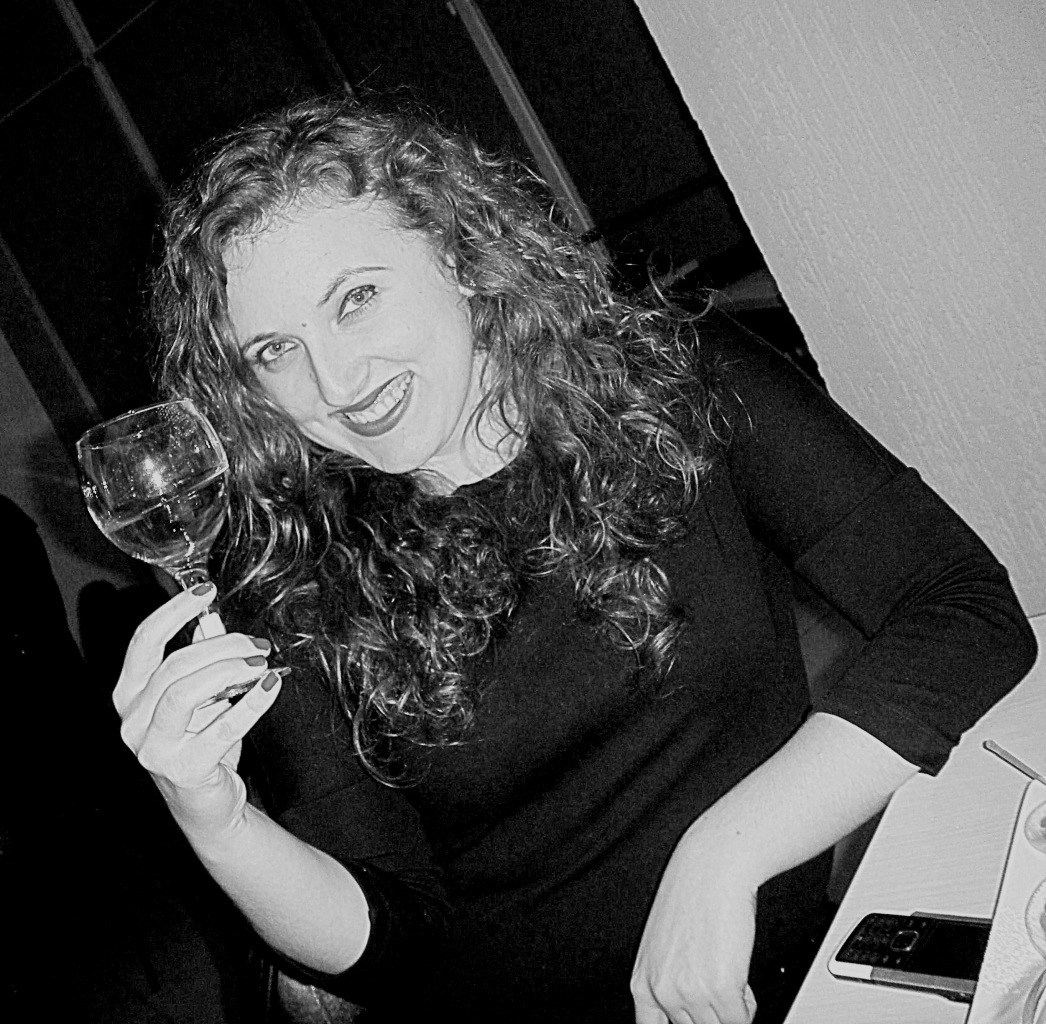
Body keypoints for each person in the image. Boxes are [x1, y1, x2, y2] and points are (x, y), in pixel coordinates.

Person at [114, 96, 1036, 1024]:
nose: (335, 384)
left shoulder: (673, 383)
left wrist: (725, 853)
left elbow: (961, 609)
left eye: (356, 299)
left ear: (456, 251)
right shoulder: (291, 570)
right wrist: (216, 819)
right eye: (276, 350)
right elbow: (396, 944)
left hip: (790, 977)